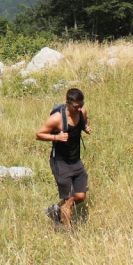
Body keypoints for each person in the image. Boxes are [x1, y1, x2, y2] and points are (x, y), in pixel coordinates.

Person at [36, 87, 91, 228]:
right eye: (76, 106)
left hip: (76, 161)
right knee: (68, 200)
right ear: (67, 103)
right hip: (60, 163)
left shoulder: (82, 111)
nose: (79, 109)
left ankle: (55, 209)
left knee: (80, 196)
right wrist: (56, 137)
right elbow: (39, 134)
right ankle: (67, 232)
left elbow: (84, 121)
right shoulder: (57, 119)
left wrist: (85, 127)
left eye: (81, 105)